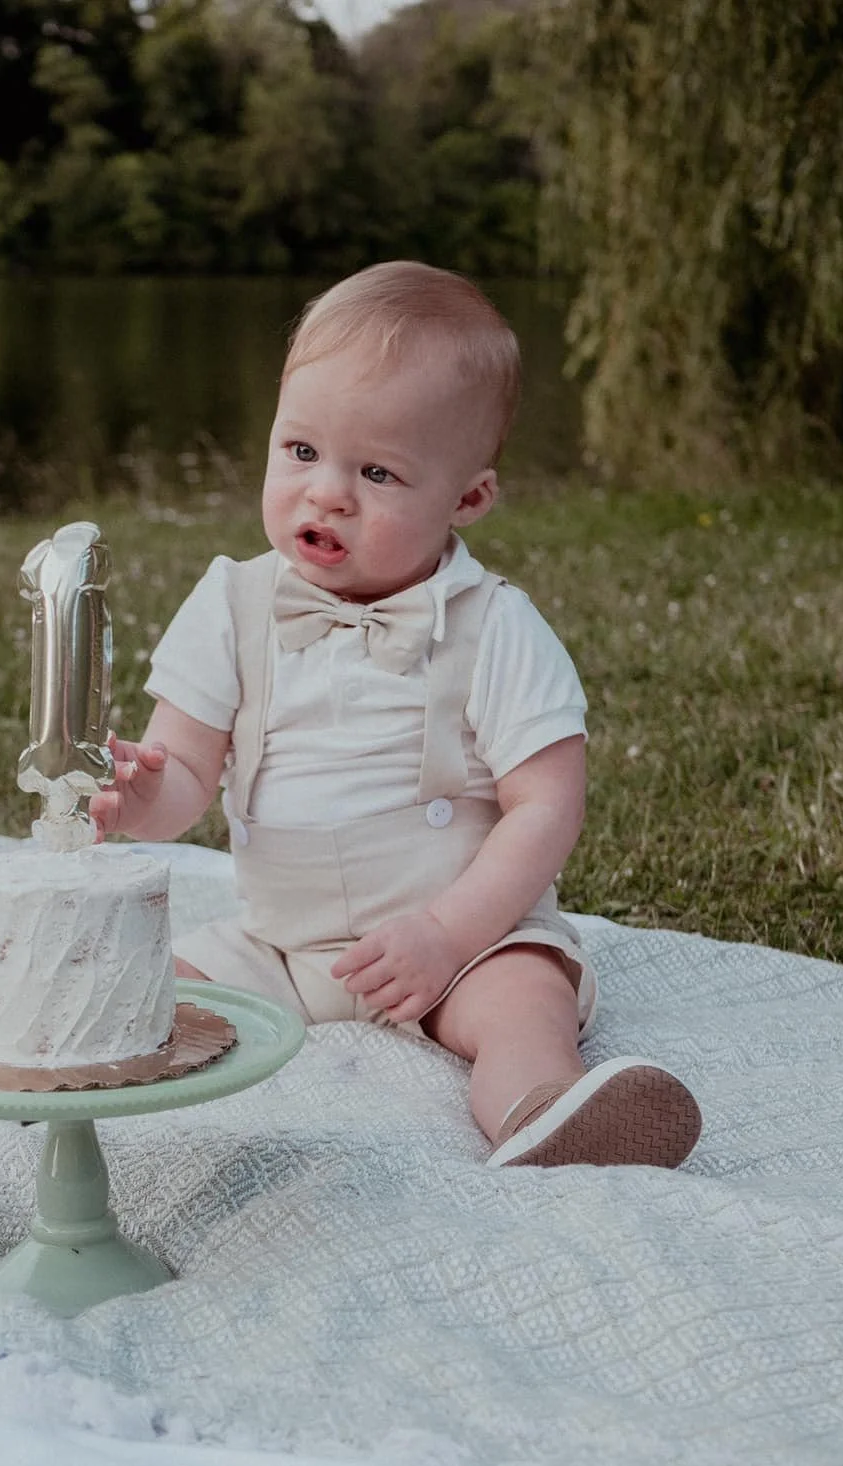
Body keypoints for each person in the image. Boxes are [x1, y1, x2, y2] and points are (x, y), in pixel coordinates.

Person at [89, 261, 701, 1169]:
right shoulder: (232, 603)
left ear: (468, 498)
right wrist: (146, 802)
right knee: (131, 989)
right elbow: (185, 767)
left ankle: (545, 1111)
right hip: (282, 948)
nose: (326, 492)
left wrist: (449, 933)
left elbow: (547, 805)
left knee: (523, 1005)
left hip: (460, 942)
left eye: (376, 472)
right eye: (300, 452)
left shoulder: (495, 625)